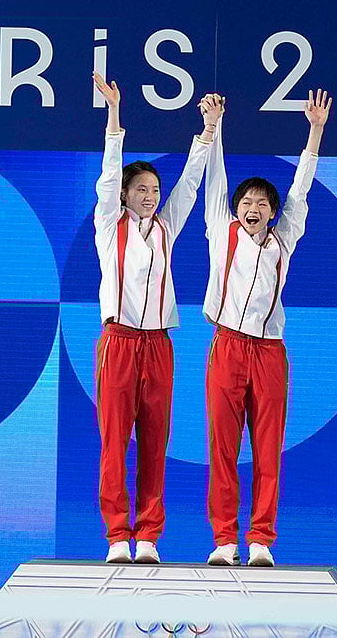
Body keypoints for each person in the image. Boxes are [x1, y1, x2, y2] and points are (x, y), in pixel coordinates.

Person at [92, 72, 221, 564]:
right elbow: (109, 173)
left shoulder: (166, 227)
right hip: (119, 341)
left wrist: (207, 131)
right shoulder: (109, 226)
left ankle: (148, 535)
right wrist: (114, 114)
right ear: (124, 195)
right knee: (114, 442)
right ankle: (116, 536)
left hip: (159, 345)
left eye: (153, 189)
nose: (150, 195)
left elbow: (189, 184)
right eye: (141, 189)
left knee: (154, 441)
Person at [203, 89, 331, 568]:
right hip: (227, 347)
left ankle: (260, 539)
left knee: (267, 448)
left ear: (273, 212)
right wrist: (214, 126)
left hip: (270, 352)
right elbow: (215, 178)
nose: (252, 207)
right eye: (246, 201)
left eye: (261, 202)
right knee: (223, 447)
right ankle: (224, 539)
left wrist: (315, 131)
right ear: (236, 208)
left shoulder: (285, 237)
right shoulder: (221, 229)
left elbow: (301, 187)